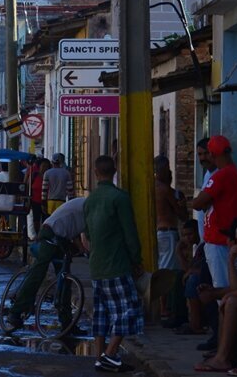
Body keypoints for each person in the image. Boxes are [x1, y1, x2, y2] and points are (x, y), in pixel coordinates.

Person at [84, 155, 143, 373]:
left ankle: (100, 356)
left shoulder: (90, 200)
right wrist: (136, 259)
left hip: (96, 264)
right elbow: (130, 233)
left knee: (102, 312)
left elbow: (87, 234)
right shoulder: (120, 198)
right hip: (116, 264)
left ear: (96, 173)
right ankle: (109, 354)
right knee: (129, 309)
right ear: (114, 171)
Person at [3, 196, 87, 333]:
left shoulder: (84, 206)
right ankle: (15, 313)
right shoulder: (88, 207)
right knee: (39, 272)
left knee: (65, 277)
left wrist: (82, 249)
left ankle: (66, 323)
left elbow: (76, 232)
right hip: (50, 233)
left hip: (62, 238)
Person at [194, 218, 237, 372]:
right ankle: (224, 354)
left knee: (230, 302)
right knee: (228, 301)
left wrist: (220, 294)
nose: (226, 242)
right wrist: (230, 260)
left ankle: (222, 357)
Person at [192, 135, 237, 296]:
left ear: (212, 155)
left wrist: (202, 200)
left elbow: (197, 203)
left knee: (222, 291)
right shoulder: (235, 173)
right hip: (227, 238)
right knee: (230, 288)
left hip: (218, 240)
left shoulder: (221, 175)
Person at [154, 155, 188, 326]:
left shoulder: (153, 188)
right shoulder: (165, 190)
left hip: (159, 232)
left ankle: (163, 306)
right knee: (167, 272)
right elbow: (181, 214)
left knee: (163, 268)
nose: (170, 172)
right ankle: (164, 307)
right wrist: (182, 205)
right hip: (168, 232)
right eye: (167, 168)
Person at [175, 219, 209, 335]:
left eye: (190, 234)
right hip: (199, 276)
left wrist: (190, 272)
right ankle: (180, 317)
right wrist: (179, 252)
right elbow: (188, 269)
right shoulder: (197, 248)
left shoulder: (205, 246)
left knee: (192, 280)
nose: (187, 238)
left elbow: (203, 269)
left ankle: (196, 324)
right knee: (179, 276)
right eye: (185, 235)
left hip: (208, 279)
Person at [195, 137, 217, 242]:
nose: (203, 157)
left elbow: (200, 204)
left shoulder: (218, 173)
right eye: (200, 154)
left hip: (215, 239)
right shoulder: (208, 173)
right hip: (206, 238)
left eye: (206, 153)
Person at [28, 158, 51, 235]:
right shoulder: (34, 175)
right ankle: (37, 235)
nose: (45, 168)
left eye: (47, 167)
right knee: (36, 220)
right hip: (35, 202)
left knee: (46, 220)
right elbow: (28, 186)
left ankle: (44, 235)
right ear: (39, 167)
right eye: (43, 166)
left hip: (47, 202)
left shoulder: (49, 176)